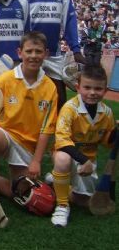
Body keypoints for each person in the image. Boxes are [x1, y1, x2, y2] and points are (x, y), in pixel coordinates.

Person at [0, 31, 58, 223]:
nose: (33, 55)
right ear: (20, 52)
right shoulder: (5, 80)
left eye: (38, 51)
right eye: (29, 51)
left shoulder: (50, 88)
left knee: (19, 193)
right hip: (4, 133)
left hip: (28, 144)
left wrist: (37, 161)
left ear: (46, 53)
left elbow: (46, 130)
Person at [15, 0, 85, 110]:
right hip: (31, 52)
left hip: (54, 53)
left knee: (60, 97)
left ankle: (59, 132)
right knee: (27, 97)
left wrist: (76, 49)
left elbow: (69, 18)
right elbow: (19, 23)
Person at [50, 65, 116, 227]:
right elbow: (62, 140)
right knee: (63, 159)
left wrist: (115, 134)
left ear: (105, 90)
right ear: (78, 87)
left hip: (88, 161)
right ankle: (62, 205)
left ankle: (56, 183)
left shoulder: (107, 113)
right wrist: (83, 160)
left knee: (82, 201)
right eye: (87, 87)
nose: (92, 92)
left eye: (98, 88)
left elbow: (107, 143)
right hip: (70, 155)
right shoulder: (69, 109)